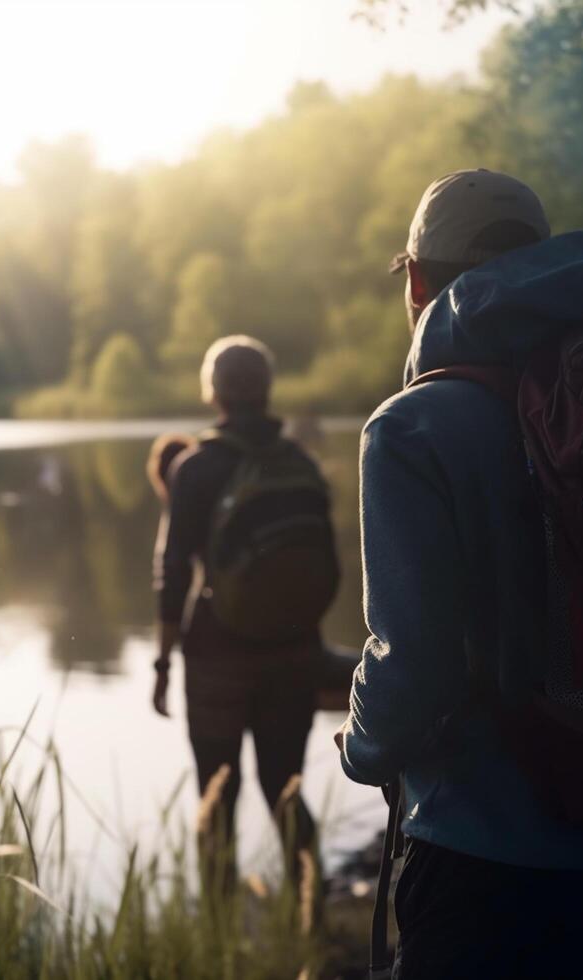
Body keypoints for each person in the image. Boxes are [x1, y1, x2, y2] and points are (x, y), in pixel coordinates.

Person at [336, 170, 583, 978]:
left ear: (419, 282)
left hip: (482, 858)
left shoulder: (416, 425)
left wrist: (362, 749)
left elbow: (413, 667)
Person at [151, 335, 334, 895]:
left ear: (213, 393)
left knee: (217, 793)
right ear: (268, 389)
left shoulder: (197, 466)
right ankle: (314, 910)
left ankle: (218, 924)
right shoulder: (300, 462)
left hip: (217, 655)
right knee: (286, 784)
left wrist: (162, 662)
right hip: (295, 648)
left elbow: (174, 570)